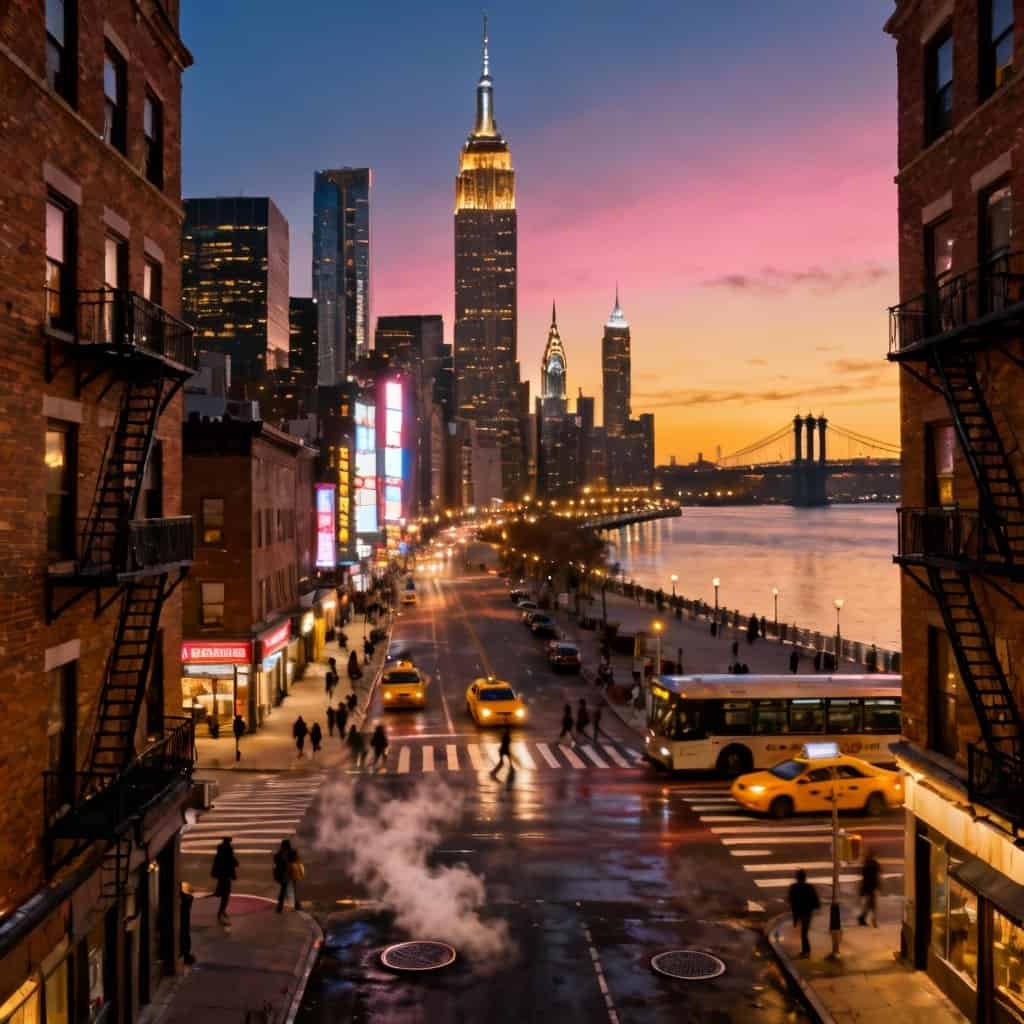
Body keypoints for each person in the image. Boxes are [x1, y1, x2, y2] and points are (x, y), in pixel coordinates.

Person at [788, 868, 821, 958]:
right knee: (804, 933)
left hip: (799, 912)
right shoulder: (809, 887)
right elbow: (816, 902)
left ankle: (806, 951)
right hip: (807, 913)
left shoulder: (794, 887)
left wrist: (795, 918)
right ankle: (806, 951)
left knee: (803, 933)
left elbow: (791, 902)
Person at [210, 837, 237, 925]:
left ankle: (222, 911)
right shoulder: (228, 851)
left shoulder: (220, 851)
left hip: (221, 876)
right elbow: (232, 863)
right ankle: (221, 912)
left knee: (223, 894)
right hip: (226, 876)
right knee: (226, 895)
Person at [858, 850, 881, 927]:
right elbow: (877, 876)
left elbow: (864, 876)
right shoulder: (875, 864)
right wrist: (878, 886)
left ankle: (863, 918)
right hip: (872, 887)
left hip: (867, 887)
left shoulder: (866, 864)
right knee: (872, 904)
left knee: (869, 904)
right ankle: (872, 920)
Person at [273, 839, 293, 913]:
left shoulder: (281, 854)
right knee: (285, 890)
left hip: (285, 875)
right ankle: (280, 907)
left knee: (285, 890)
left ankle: (280, 907)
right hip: (286, 875)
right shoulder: (288, 854)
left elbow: (275, 860)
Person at [287, 845, 305, 910]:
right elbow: (302, 872)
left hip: (292, 880)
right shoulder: (298, 864)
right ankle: (297, 905)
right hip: (297, 880)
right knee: (296, 893)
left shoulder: (290, 864)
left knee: (293, 893)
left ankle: (295, 905)